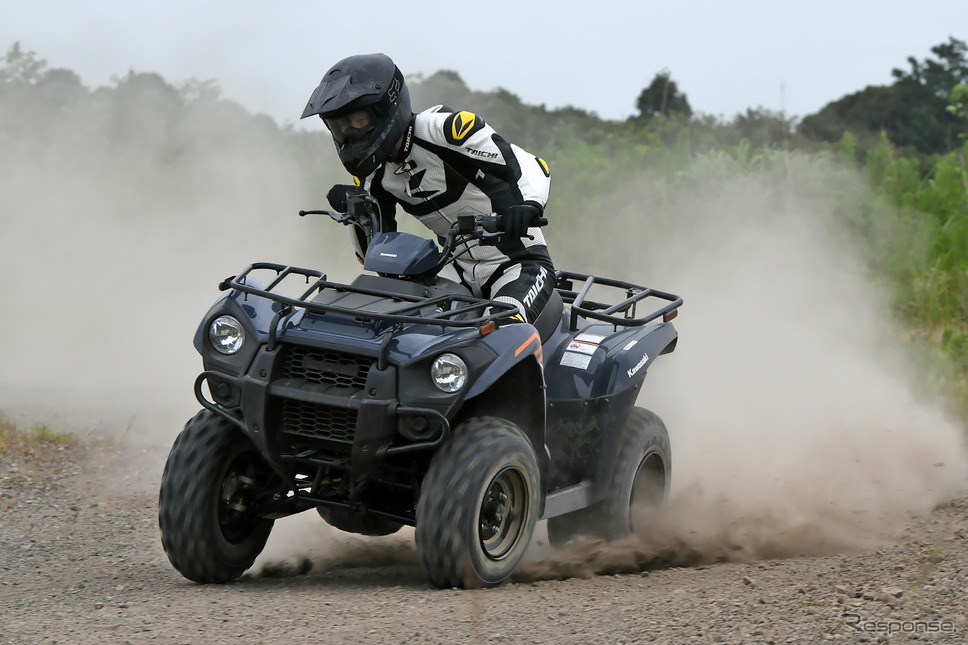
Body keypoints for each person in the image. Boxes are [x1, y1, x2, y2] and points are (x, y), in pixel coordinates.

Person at [301, 53, 556, 324]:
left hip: (519, 263)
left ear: (387, 106)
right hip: (453, 268)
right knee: (386, 323)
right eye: (340, 126)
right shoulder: (372, 174)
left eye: (358, 120)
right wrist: (359, 212)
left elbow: (529, 163)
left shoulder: (446, 131)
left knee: (501, 331)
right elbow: (372, 257)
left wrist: (529, 205)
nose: (349, 133)